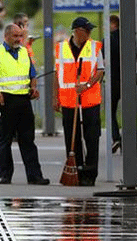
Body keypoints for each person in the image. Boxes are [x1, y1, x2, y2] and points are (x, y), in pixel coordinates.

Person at [0, 23, 49, 185]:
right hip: (5, 102)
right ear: (6, 36)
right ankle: (6, 175)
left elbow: (32, 74)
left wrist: (33, 88)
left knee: (28, 140)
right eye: (15, 36)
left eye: (20, 36)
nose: (19, 39)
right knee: (5, 140)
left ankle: (35, 176)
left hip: (23, 101)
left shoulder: (24, 53)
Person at [54, 17, 105, 186]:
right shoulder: (61, 49)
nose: (90, 33)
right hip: (69, 100)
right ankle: (76, 170)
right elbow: (57, 75)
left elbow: (100, 71)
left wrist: (87, 85)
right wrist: (55, 97)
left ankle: (89, 174)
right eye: (87, 30)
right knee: (72, 138)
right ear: (77, 31)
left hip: (90, 99)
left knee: (91, 138)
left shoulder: (95, 47)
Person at [109, 15, 122, 153]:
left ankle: (116, 137)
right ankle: (127, 139)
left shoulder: (109, 40)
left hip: (113, 80)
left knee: (111, 111)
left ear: (113, 24)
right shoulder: (127, 38)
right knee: (127, 111)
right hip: (126, 80)